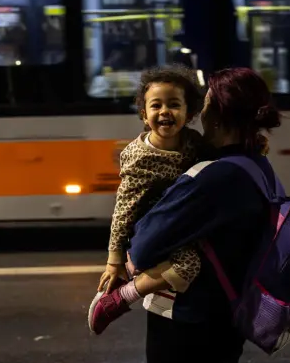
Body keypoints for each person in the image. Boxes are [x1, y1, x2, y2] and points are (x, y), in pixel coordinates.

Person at [128, 67, 282, 363]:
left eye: (206, 105)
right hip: (226, 317)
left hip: (188, 324)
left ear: (219, 116)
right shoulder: (257, 166)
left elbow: (141, 247)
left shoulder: (214, 177)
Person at [88, 64, 208, 335]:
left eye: (174, 105)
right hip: (154, 227)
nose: (164, 111)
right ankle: (120, 298)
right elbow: (124, 209)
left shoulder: (192, 141)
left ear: (189, 113)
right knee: (188, 266)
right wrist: (114, 260)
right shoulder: (139, 157)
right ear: (144, 114)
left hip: (181, 220)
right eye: (156, 106)